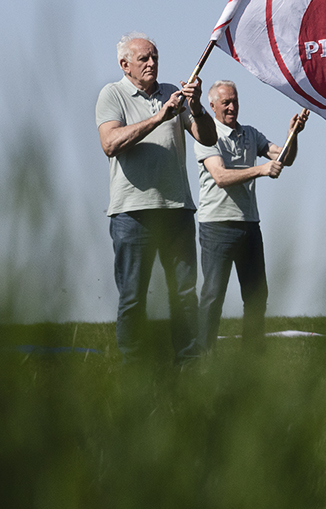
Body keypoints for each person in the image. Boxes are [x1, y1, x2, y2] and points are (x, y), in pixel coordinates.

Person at [96, 32, 217, 364]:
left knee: (183, 294)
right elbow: (110, 143)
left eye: (155, 57)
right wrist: (158, 118)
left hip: (176, 210)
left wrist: (195, 106)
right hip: (132, 214)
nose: (152, 63)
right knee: (133, 296)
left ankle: (189, 362)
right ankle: (133, 365)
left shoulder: (174, 97)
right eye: (144, 59)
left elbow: (207, 139)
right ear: (125, 65)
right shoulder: (113, 95)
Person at [195, 80, 302, 351]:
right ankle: (202, 358)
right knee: (213, 295)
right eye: (225, 103)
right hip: (217, 225)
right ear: (212, 106)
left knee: (256, 295)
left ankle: (253, 357)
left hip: (249, 225)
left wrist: (294, 134)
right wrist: (260, 170)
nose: (232, 107)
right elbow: (220, 176)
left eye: (235, 101)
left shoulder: (250, 134)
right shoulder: (206, 134)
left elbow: (284, 157)